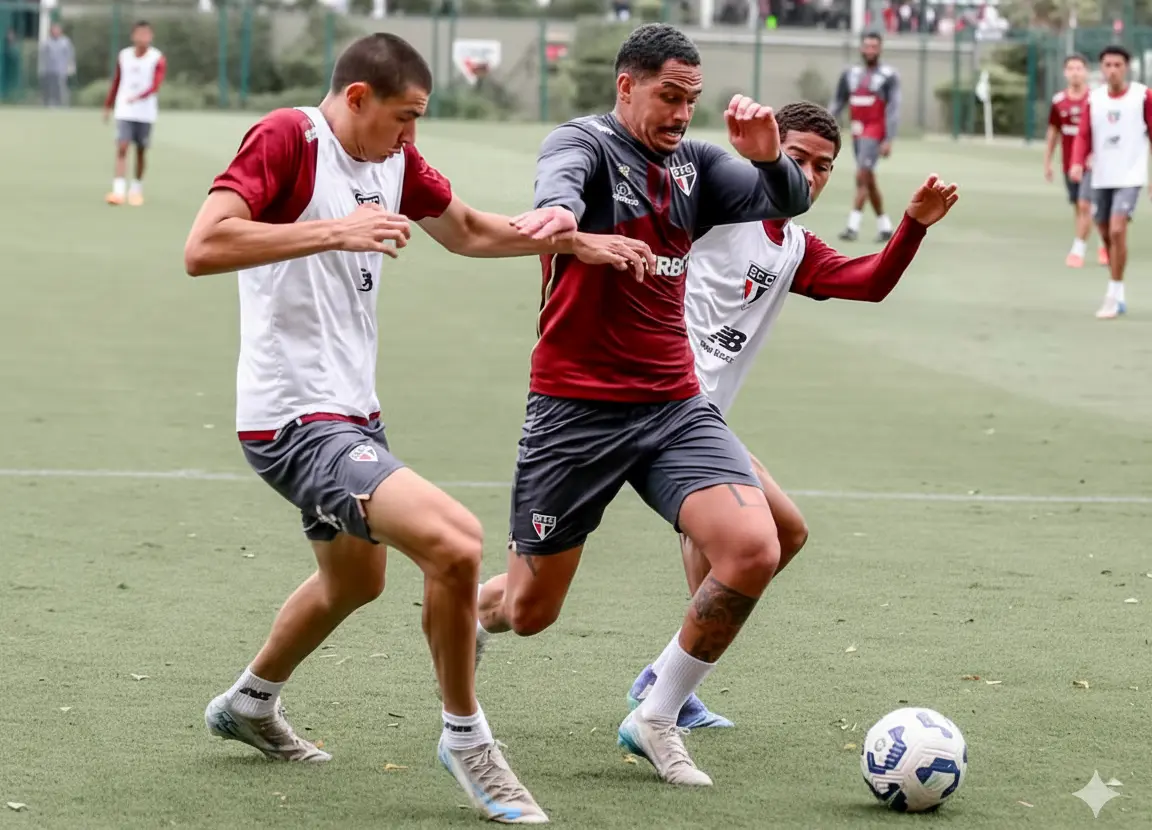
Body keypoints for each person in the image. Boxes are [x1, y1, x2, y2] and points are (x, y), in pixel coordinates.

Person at [183, 32, 649, 825]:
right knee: (456, 542)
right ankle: (467, 740)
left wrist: (575, 243)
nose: (411, 137)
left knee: (355, 582)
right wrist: (337, 230)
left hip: (354, 412)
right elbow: (204, 245)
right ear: (357, 98)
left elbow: (466, 227)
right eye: (404, 117)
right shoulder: (288, 138)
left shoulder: (394, 160)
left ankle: (249, 703)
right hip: (293, 419)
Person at [474, 23, 811, 788]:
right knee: (529, 611)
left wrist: (769, 157)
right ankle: (474, 608)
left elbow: (788, 200)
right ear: (626, 86)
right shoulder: (584, 142)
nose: (680, 113)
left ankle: (655, 713)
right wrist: (561, 219)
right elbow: (557, 187)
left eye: (691, 99)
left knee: (757, 547)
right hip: (576, 410)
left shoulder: (698, 165)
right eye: (668, 96)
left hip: (673, 403)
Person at [626, 101, 959, 729]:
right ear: (767, 149)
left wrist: (911, 225)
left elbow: (869, 281)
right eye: (796, 158)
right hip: (663, 410)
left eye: (823, 167)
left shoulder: (794, 246)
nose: (808, 174)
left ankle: (664, 679)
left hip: (705, 419)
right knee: (733, 549)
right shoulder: (716, 213)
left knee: (788, 535)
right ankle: (666, 694)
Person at [1070, 44, 1152, 319]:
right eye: (1107, 65)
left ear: (1126, 67)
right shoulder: (1094, 99)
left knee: (1117, 230)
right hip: (1101, 176)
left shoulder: (1142, 96)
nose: (1112, 70)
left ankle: (1113, 294)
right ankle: (1120, 292)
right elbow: (1083, 135)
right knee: (1105, 233)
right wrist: (1077, 162)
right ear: (1101, 68)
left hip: (1130, 176)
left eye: (1118, 65)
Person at [829, 31, 900, 243]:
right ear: (861, 48)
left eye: (874, 46)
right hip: (857, 132)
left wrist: (889, 138)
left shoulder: (888, 75)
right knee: (868, 178)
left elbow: (894, 108)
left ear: (880, 49)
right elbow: (838, 101)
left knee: (861, 175)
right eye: (867, 46)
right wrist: (824, 121)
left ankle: (852, 226)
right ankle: (885, 226)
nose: (870, 50)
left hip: (874, 130)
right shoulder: (850, 73)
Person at [1044, 54, 1101, 269]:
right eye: (1071, 68)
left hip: (1091, 164)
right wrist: (1047, 162)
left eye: (1079, 68)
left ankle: (1079, 250)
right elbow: (1053, 132)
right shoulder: (1059, 102)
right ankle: (1099, 241)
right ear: (1065, 72)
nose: (1075, 72)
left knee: (1086, 204)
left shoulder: (1095, 99)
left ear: (1086, 71)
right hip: (1069, 164)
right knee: (1079, 206)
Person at [103, 21, 166, 206]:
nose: (143, 38)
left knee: (140, 151)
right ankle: (118, 191)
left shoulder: (157, 58)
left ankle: (136, 189)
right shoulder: (124, 56)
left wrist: (139, 97)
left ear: (151, 37)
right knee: (122, 147)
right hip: (124, 110)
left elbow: (156, 85)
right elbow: (117, 81)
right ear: (133, 36)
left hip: (145, 112)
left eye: (146, 34)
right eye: (139, 34)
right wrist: (108, 104)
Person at [38, 23, 75, 108]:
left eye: (57, 30)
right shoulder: (47, 43)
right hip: (49, 70)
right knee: (49, 88)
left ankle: (62, 104)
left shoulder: (65, 42)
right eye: (54, 30)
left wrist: (71, 66)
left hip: (61, 70)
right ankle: (48, 104)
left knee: (61, 88)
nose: (56, 32)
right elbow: (43, 56)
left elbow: (70, 55)